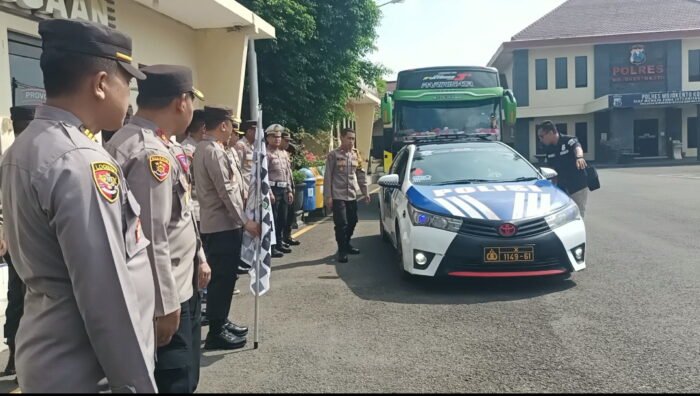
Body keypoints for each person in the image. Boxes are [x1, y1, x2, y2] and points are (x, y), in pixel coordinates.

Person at [0, 19, 156, 392]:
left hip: (49, 353)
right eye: (127, 83)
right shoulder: (80, 160)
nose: (129, 99)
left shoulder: (26, 148)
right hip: (86, 367)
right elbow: (107, 295)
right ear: (101, 84)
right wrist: (137, 386)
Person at [104, 64, 210, 393]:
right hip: (164, 297)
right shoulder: (150, 153)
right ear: (181, 101)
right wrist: (165, 306)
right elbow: (151, 237)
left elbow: (182, 216)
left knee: (187, 377)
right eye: (192, 100)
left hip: (180, 285)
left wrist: (200, 256)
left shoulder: (158, 143)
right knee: (174, 381)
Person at [193, 105, 259, 350]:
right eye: (231, 124)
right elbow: (226, 191)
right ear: (223, 125)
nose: (232, 129)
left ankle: (221, 321)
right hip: (221, 226)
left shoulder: (208, 148)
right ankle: (216, 332)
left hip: (219, 224)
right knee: (222, 279)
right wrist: (244, 221)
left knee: (225, 278)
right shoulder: (212, 151)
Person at [1, 105, 35, 378]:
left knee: (21, 299)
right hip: (20, 241)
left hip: (22, 241)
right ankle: (14, 354)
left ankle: (17, 355)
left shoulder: (13, 156)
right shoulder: (11, 156)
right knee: (20, 300)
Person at [323, 128, 370, 263]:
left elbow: (360, 175)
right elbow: (328, 176)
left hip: (351, 195)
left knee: (353, 220)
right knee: (341, 223)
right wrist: (328, 196)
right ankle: (342, 251)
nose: (351, 141)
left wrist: (365, 192)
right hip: (338, 195)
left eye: (353, 139)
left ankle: (347, 243)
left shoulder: (356, 155)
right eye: (349, 138)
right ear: (342, 138)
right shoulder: (333, 155)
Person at [537, 120, 589, 217]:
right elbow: (551, 169)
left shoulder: (568, 140)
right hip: (562, 187)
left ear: (551, 133)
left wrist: (579, 157)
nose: (540, 139)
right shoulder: (549, 149)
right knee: (562, 215)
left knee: (578, 214)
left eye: (541, 136)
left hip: (577, 186)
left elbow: (577, 147)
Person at [266, 124, 294, 257]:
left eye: (278, 137)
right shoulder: (266, 154)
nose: (277, 139)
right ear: (268, 138)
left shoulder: (283, 153)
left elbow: (287, 173)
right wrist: (269, 192)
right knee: (274, 219)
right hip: (273, 189)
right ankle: (272, 246)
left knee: (283, 218)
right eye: (274, 137)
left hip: (283, 189)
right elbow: (263, 175)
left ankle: (279, 242)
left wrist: (289, 190)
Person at [281, 130, 300, 246]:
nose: (288, 143)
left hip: (290, 185)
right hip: (281, 188)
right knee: (282, 216)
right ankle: (280, 240)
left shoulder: (287, 152)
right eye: (286, 140)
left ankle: (287, 236)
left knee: (290, 214)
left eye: (289, 141)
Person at [236, 119, 256, 185]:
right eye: (256, 131)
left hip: (252, 186)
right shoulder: (241, 145)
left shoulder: (253, 146)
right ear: (249, 131)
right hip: (244, 186)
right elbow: (238, 169)